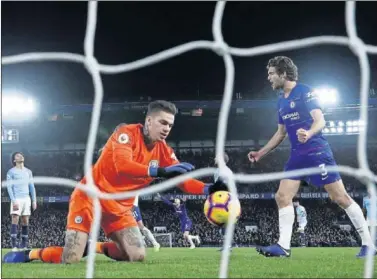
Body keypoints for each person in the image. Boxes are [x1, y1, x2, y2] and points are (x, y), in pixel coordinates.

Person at [4, 100, 222, 264]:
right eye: (162, 122)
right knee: (70, 259)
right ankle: (30, 253)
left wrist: (207, 188)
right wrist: (161, 171)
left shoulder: (163, 149)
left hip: (119, 207)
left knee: (136, 256)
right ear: (148, 121)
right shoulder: (125, 134)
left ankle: (95, 247)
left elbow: (183, 181)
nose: (167, 128)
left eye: (170, 125)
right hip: (90, 197)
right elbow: (123, 166)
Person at [248, 56, 376, 258]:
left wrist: (308, 133)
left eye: (271, 73)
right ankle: (283, 246)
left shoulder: (305, 92)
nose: (269, 77)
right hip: (297, 156)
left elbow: (320, 120)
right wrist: (260, 153)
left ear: (283, 73)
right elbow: (281, 133)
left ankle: (368, 245)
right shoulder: (281, 100)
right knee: (282, 196)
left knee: (339, 197)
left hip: (317, 152)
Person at [6, 152, 37, 251]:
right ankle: (14, 246)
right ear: (14, 160)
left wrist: (34, 200)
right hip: (17, 199)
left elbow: (32, 186)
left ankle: (23, 245)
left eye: (21, 155)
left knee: (25, 221)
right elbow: (9, 187)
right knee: (15, 219)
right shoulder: (11, 172)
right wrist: (13, 200)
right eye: (18, 156)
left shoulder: (28, 171)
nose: (21, 156)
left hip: (26, 199)